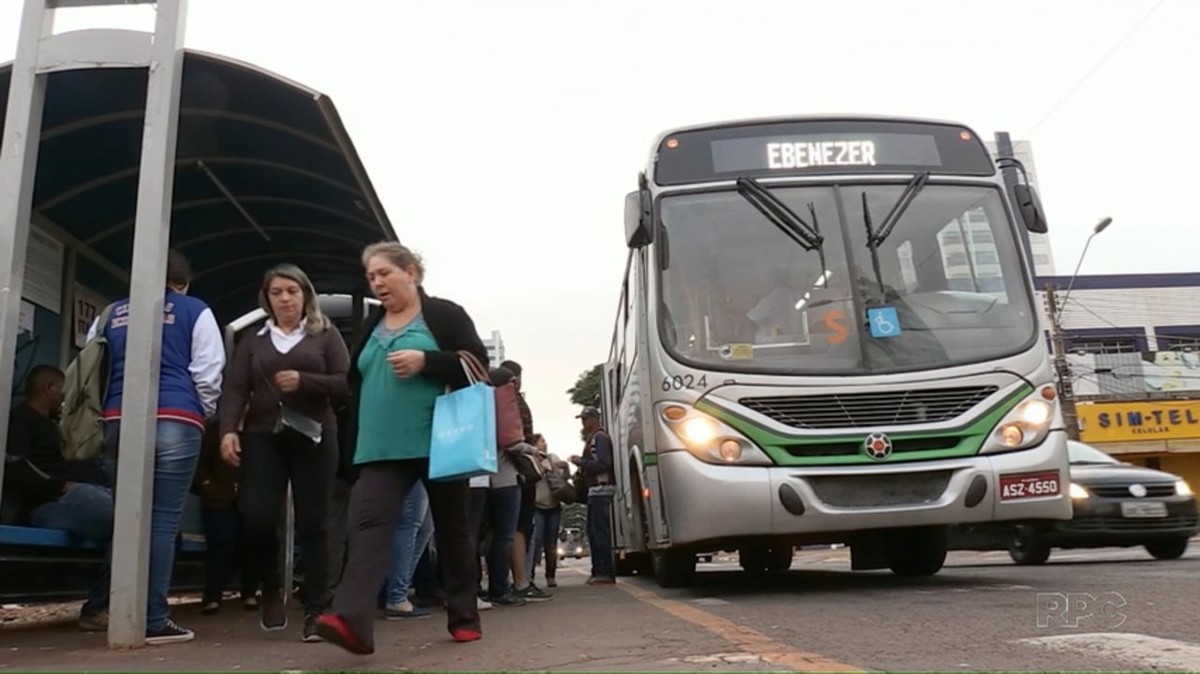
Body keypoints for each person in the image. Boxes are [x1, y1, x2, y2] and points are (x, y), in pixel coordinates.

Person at [315, 242, 487, 654]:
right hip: (379, 447)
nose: (377, 282)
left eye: (384, 273)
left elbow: (478, 365)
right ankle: (351, 620)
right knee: (369, 528)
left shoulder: (445, 315)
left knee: (453, 529)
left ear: (411, 272)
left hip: (439, 440)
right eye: (371, 276)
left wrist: (427, 361)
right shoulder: (373, 323)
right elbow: (355, 382)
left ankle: (464, 616)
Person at [86, 249, 225, 644]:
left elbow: (91, 367)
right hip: (176, 418)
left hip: (117, 419)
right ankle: (152, 617)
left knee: (126, 518)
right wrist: (199, 410)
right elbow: (209, 369)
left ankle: (102, 607)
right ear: (182, 283)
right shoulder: (194, 310)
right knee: (162, 520)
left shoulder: (110, 314)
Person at [217, 264, 350, 642]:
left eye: (292, 290)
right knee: (256, 517)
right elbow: (235, 388)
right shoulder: (253, 341)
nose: (285, 298)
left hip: (314, 434)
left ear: (305, 295)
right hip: (262, 434)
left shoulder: (325, 335)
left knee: (315, 523)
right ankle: (272, 588)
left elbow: (344, 385)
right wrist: (228, 430)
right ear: (267, 299)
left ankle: (317, 610)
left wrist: (305, 380)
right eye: (277, 292)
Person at [569, 406, 616, 585]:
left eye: (585, 419)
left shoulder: (600, 438)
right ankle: (599, 570)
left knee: (599, 532)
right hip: (596, 491)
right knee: (594, 532)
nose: (583, 423)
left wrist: (581, 462)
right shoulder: (595, 438)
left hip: (601, 490)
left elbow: (604, 463)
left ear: (594, 419)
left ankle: (604, 572)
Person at [526, 434, 566, 588]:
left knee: (551, 544)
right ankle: (530, 576)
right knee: (536, 541)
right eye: (541, 441)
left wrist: (556, 467)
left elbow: (563, 477)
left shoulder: (552, 457)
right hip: (538, 506)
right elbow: (531, 477)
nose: (545, 444)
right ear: (534, 444)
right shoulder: (530, 459)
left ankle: (551, 575)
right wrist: (540, 465)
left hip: (553, 505)